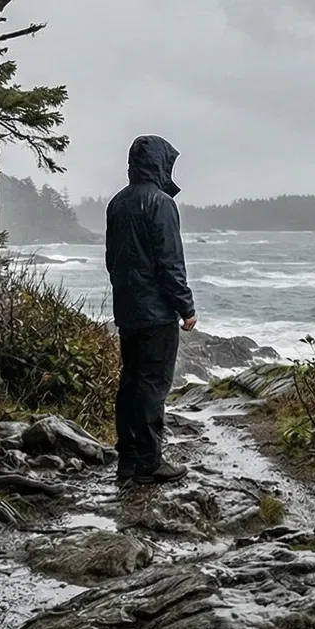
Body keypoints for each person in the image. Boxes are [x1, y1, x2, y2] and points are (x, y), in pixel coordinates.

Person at [104, 135, 197, 484]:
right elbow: (170, 262)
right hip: (156, 314)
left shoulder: (117, 203)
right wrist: (185, 306)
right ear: (159, 165)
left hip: (127, 310)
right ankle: (149, 462)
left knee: (130, 383)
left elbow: (112, 260)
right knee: (152, 387)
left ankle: (127, 461)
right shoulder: (160, 203)